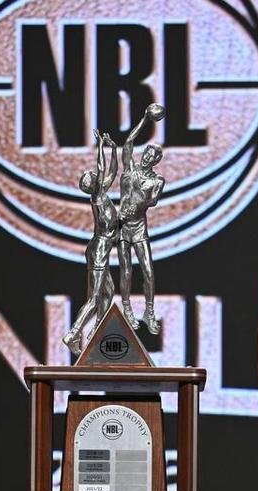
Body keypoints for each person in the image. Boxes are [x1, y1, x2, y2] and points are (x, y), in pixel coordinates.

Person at [64, 130, 119, 356]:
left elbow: (112, 172)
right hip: (99, 250)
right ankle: (74, 333)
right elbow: (102, 168)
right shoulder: (96, 197)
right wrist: (100, 146)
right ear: (92, 184)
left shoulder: (102, 194)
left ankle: (97, 334)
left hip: (101, 250)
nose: (96, 174)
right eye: (92, 176)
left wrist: (113, 149)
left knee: (109, 292)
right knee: (95, 297)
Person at [117, 104, 166, 334]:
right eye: (147, 153)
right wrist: (145, 119)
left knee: (148, 270)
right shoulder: (130, 169)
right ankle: (127, 309)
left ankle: (149, 311)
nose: (148, 157)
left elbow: (152, 202)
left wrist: (136, 204)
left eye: (153, 156)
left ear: (156, 160)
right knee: (126, 270)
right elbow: (128, 142)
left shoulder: (157, 181)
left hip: (138, 226)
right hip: (122, 227)